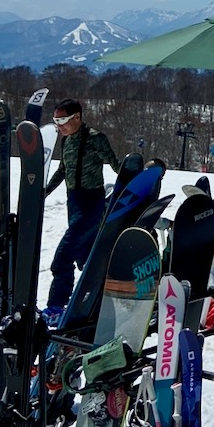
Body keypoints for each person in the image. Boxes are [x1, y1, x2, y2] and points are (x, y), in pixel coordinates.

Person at [44, 98, 121, 314]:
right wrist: (45, 191)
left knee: (62, 259)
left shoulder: (96, 139)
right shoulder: (66, 140)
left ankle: (56, 306)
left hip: (91, 203)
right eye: (55, 121)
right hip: (74, 202)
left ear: (77, 117)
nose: (59, 126)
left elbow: (117, 166)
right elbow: (63, 169)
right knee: (85, 257)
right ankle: (100, 301)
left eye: (63, 120)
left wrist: (137, 182)